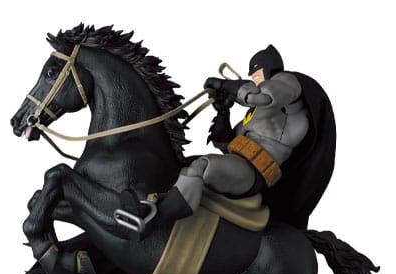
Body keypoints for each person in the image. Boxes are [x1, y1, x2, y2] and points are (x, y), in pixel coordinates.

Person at [119, 44, 336, 236]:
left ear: (269, 70)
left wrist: (226, 86)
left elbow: (261, 96)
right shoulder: (256, 115)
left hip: (254, 172)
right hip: (239, 163)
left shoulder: (290, 91)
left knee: (200, 167)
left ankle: (153, 221)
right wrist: (223, 112)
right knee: (178, 163)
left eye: (256, 74)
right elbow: (225, 144)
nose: (254, 79)